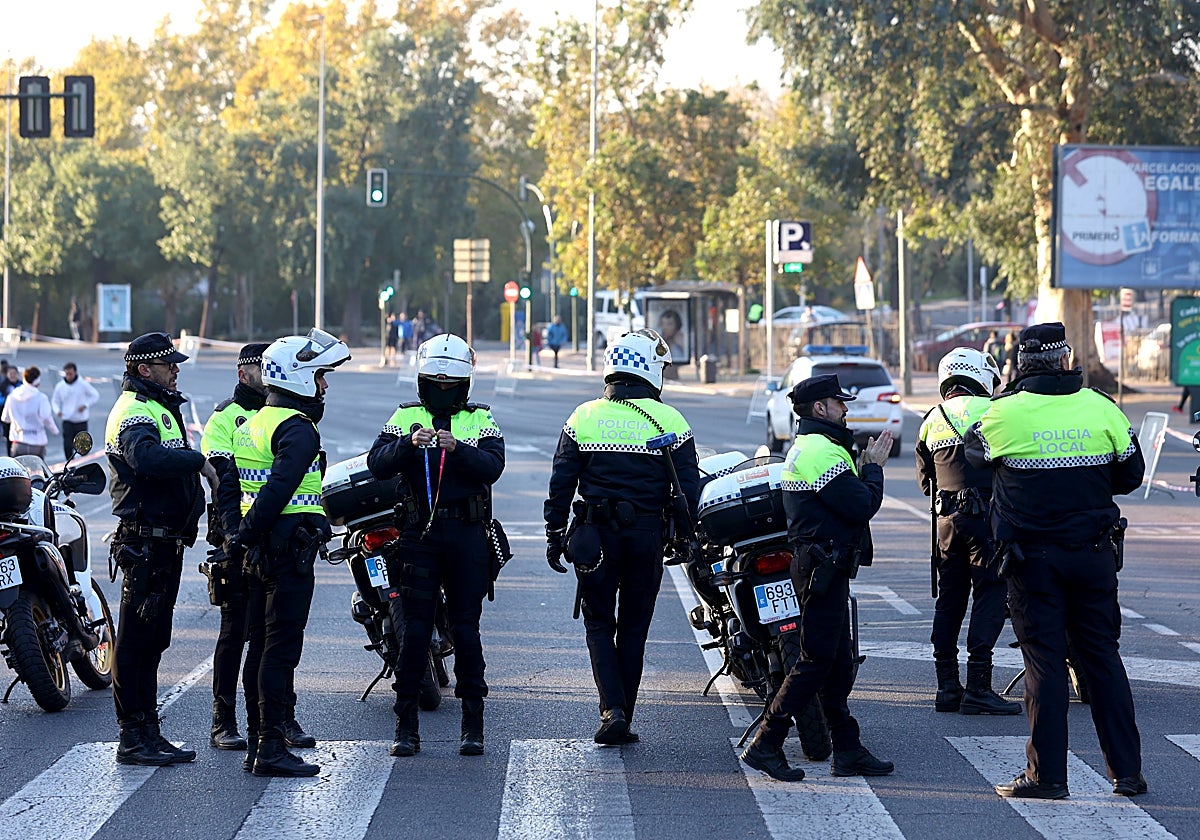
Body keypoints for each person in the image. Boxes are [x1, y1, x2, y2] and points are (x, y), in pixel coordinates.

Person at [965, 322, 1147, 800]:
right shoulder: (1102, 407)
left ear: (1020, 365)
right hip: (1093, 555)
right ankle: (1127, 773)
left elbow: (972, 456)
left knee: (1044, 664)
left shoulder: (1003, 413)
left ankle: (1047, 777)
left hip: (1033, 563)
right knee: (1102, 658)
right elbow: (1131, 474)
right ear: (1066, 360)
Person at [545, 329, 700, 744]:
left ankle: (611, 709)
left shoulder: (583, 416)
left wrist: (554, 533)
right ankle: (623, 717)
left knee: (598, 623)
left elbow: (561, 483)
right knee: (633, 629)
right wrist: (686, 539)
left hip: (594, 538)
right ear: (650, 369)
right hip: (646, 536)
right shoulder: (671, 420)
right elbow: (688, 490)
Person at [739, 373, 894, 782]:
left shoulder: (819, 446)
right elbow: (860, 505)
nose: (845, 409)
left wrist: (862, 466)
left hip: (827, 567)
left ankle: (848, 749)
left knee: (837, 666)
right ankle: (767, 743)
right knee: (813, 661)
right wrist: (873, 469)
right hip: (820, 569)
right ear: (820, 408)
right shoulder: (819, 451)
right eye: (839, 403)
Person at [219, 329, 349, 777]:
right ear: (298, 377)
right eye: (320, 376)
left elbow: (230, 487)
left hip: (259, 551)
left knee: (259, 647)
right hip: (286, 549)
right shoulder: (298, 429)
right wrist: (245, 535)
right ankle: (271, 748)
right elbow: (278, 490)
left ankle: (258, 745)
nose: (324, 386)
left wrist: (238, 537)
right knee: (280, 650)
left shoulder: (252, 423)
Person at [367, 334, 504, 758]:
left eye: (450, 385)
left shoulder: (481, 419)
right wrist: (407, 444)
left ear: (465, 385)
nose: (442, 391)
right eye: (434, 384)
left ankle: (473, 726)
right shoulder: (406, 416)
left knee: (466, 630)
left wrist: (457, 449)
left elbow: (493, 467)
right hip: (419, 536)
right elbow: (376, 463)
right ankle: (405, 727)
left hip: (466, 535)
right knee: (414, 632)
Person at [104, 332, 209, 766]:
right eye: (169, 364)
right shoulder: (134, 410)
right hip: (145, 542)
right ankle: (132, 737)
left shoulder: (157, 406)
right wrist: (197, 461)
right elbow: (145, 460)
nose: (176, 370)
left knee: (153, 642)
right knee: (135, 642)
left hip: (163, 543)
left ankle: (149, 730)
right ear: (144, 369)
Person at [915, 348, 1020, 716]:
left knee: (950, 599)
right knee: (990, 593)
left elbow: (926, 483)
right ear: (981, 376)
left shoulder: (932, 418)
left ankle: (947, 687)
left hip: (947, 523)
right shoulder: (996, 411)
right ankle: (978, 687)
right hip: (987, 518)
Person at [199, 343, 284, 756]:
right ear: (242, 374)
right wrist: (236, 537)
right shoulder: (224, 418)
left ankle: (278, 717)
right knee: (235, 632)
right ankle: (223, 719)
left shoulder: (284, 414)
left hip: (276, 535)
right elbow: (221, 479)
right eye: (260, 368)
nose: (267, 376)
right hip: (235, 538)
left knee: (276, 633)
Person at [1, 366, 58, 458]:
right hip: (37, 441)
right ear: (37, 381)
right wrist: (54, 430)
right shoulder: (41, 398)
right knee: (36, 466)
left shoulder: (12, 396)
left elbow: (5, 418)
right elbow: (46, 417)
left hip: (18, 441)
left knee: (18, 466)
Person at [51, 362, 101, 460]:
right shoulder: (60, 386)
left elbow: (95, 395)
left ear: (75, 373)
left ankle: (82, 463)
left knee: (82, 447)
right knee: (67, 445)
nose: (69, 376)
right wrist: (57, 411)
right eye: (67, 374)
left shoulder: (83, 384)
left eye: (71, 374)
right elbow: (55, 400)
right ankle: (70, 463)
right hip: (67, 420)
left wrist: (85, 405)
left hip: (81, 420)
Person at [0, 363, 17, 454]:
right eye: (10, 374)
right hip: (6, 415)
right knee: (9, 436)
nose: (12, 376)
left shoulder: (21, 385)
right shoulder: (3, 385)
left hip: (18, 416)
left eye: (14, 374)